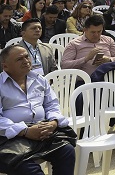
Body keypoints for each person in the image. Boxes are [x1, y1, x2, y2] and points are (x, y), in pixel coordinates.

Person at [0, 44, 74, 175]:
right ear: (5, 66)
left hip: (42, 130)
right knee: (26, 168)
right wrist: (25, 131)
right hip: (11, 137)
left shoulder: (39, 79)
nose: (26, 61)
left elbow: (52, 104)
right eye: (19, 59)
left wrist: (53, 122)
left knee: (66, 151)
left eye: (26, 56)